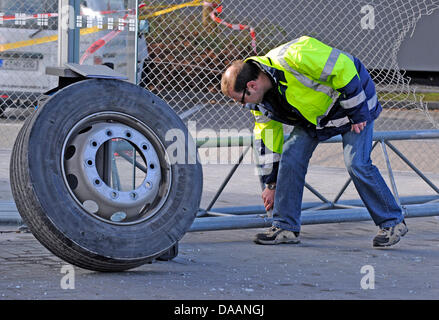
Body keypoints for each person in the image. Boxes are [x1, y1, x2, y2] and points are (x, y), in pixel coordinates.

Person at [220, 36, 407, 247]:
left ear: (252, 86)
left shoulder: (294, 55)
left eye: (240, 100)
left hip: (354, 106)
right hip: (317, 119)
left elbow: (344, 67)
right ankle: (285, 228)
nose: (242, 105)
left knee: (357, 163)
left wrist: (358, 113)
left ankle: (393, 222)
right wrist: (271, 184)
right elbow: (267, 140)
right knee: (291, 155)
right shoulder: (262, 103)